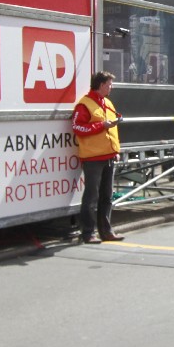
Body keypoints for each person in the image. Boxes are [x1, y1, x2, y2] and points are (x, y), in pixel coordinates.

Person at [72, 71, 124, 244]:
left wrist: (115, 150)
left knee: (106, 196)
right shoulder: (84, 104)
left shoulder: (107, 103)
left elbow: (112, 129)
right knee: (91, 197)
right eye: (109, 84)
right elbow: (78, 128)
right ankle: (88, 233)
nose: (111, 87)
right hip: (93, 157)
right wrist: (101, 125)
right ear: (101, 85)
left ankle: (106, 231)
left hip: (108, 155)